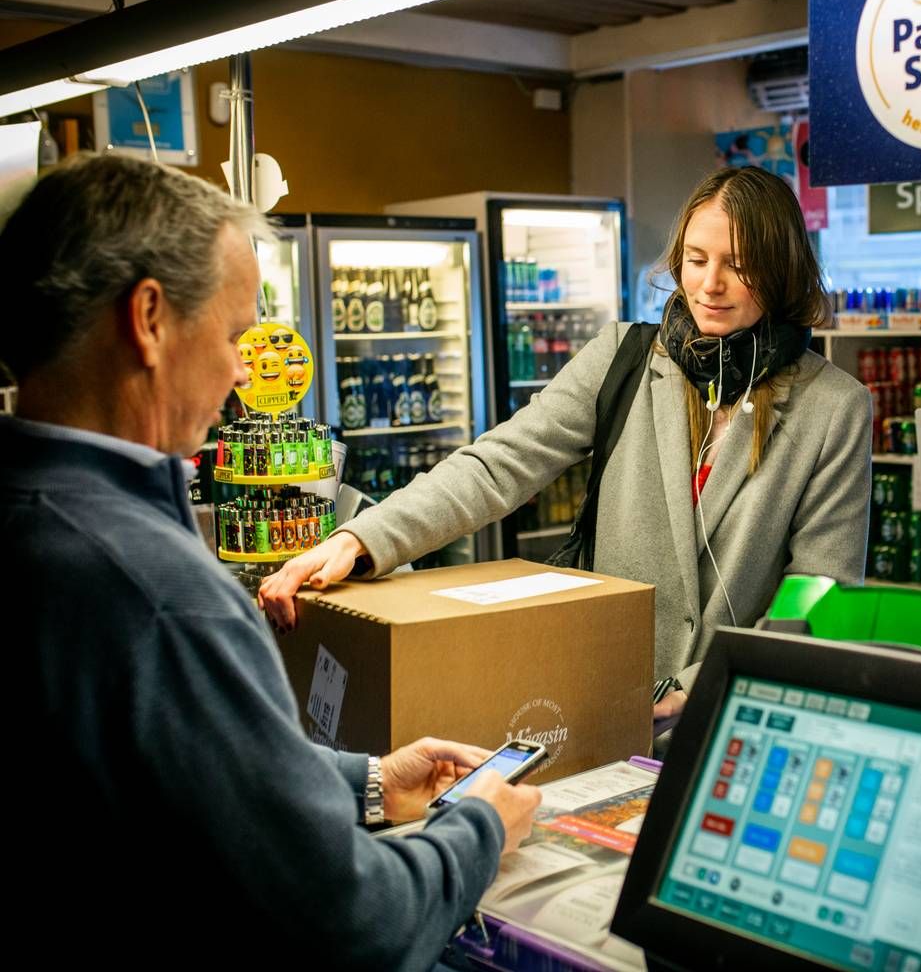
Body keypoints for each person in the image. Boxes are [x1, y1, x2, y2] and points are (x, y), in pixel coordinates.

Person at [1, 154, 540, 971]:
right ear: (148, 317)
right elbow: (353, 922)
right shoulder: (159, 592)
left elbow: (183, 781)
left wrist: (364, 783)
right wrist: (479, 828)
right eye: (231, 335)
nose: (244, 371)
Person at [262, 167, 872, 722]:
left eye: (738, 264)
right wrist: (364, 536)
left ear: (783, 268)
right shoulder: (623, 358)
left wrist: (698, 685)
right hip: (602, 695)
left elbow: (819, 591)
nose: (709, 284)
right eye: (695, 259)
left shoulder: (834, 408)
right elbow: (497, 465)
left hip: (738, 712)